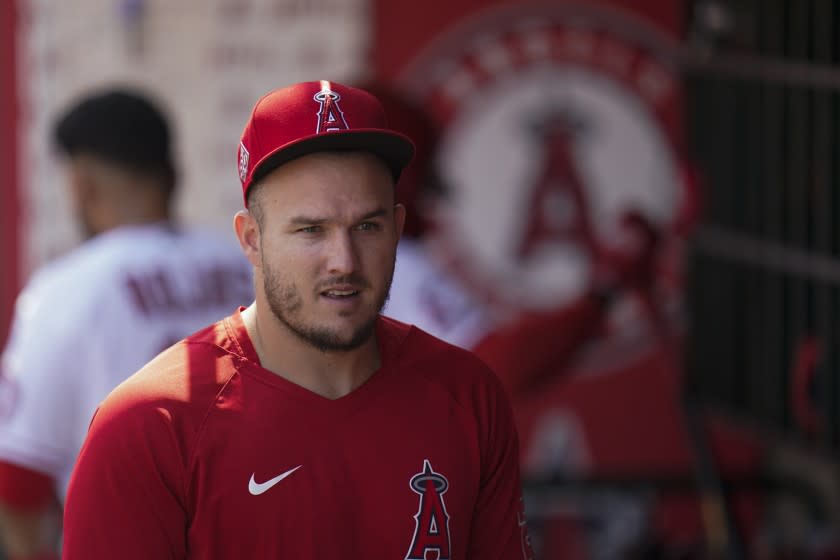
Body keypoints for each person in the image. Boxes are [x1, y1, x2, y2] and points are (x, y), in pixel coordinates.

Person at [61, 80, 534, 558]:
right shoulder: (147, 427)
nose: (343, 260)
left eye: (366, 226)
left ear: (397, 229)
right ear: (251, 240)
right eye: (311, 230)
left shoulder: (469, 397)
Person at [0, 89, 254, 559]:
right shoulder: (245, 266)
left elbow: (18, 479)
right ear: (171, 175)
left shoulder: (64, 290)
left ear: (82, 184)